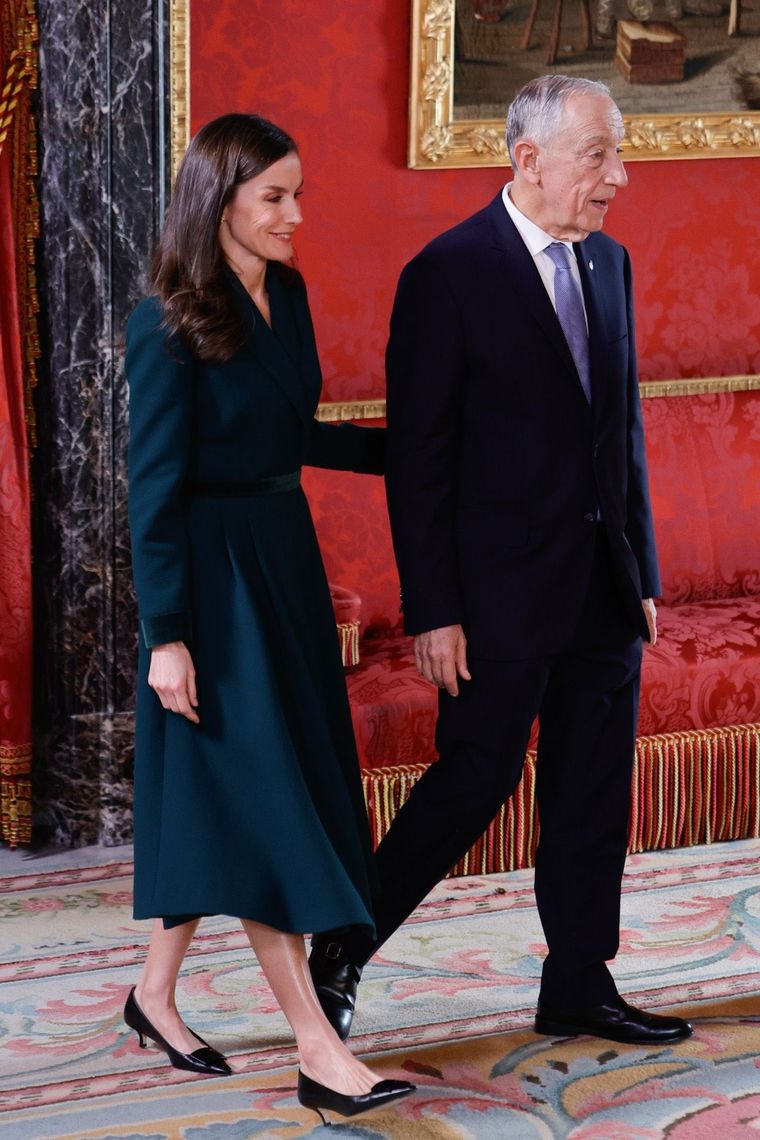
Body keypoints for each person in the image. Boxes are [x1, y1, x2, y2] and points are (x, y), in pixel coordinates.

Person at [310, 75, 693, 1049]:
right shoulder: (447, 273)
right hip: (493, 599)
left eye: (619, 152)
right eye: (599, 154)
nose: (620, 175)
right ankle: (344, 946)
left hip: (602, 591)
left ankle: (577, 981)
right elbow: (420, 457)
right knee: (474, 779)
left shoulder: (609, 265)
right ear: (528, 160)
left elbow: (623, 435)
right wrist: (434, 610)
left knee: (590, 788)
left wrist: (640, 570)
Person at [124, 112, 414, 1123]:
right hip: (209, 584)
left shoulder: (284, 292)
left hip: (282, 560)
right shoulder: (164, 317)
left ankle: (153, 995)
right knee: (264, 805)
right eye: (276, 197)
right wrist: (166, 635)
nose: (297, 215)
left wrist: (413, 453)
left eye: (298, 194)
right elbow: (151, 490)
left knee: (231, 792)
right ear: (223, 204)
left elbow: (295, 437)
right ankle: (316, 1048)